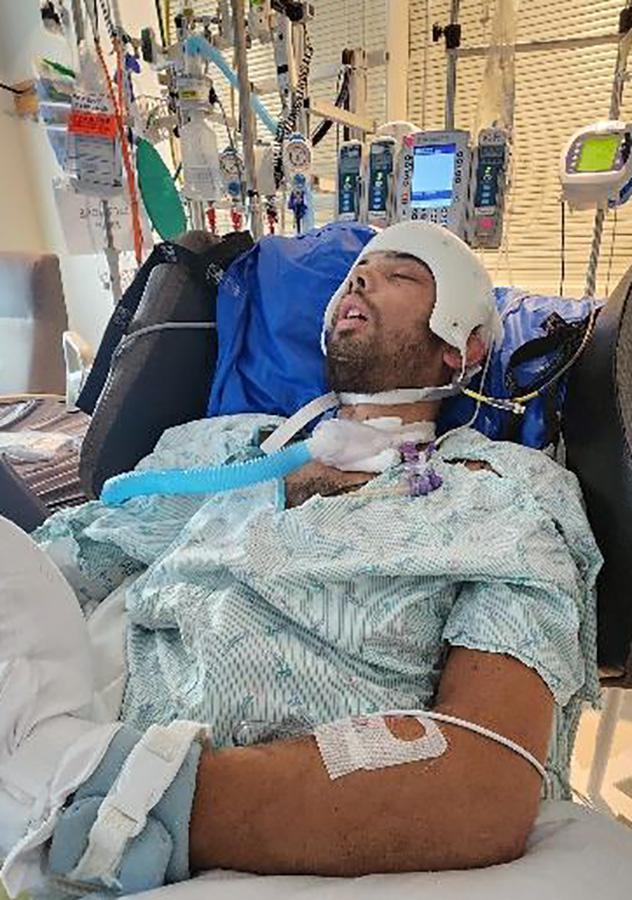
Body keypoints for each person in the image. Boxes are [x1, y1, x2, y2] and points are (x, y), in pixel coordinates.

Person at [0, 223, 606, 898]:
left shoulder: (501, 490)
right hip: (77, 717)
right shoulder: (230, 448)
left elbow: (484, 774)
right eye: (356, 274)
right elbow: (78, 552)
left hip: (202, 822)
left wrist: (131, 796)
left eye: (401, 275)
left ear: (462, 348)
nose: (361, 279)